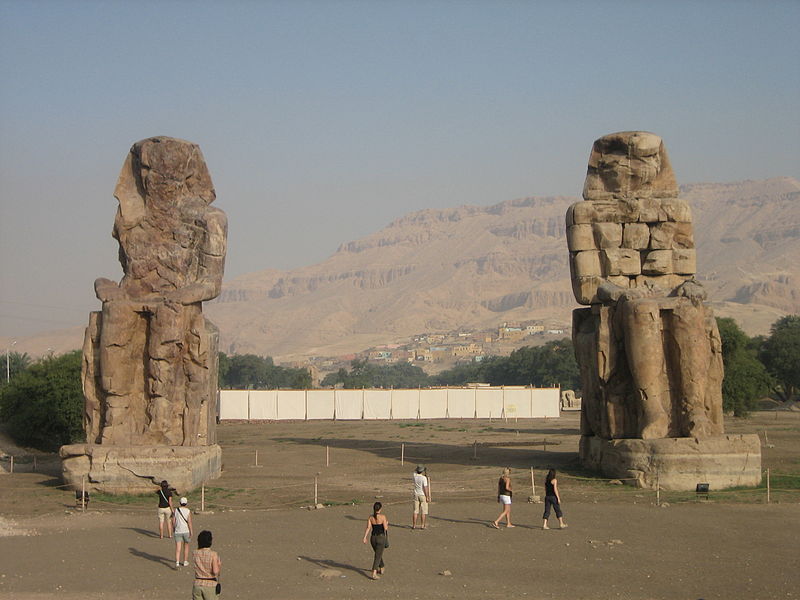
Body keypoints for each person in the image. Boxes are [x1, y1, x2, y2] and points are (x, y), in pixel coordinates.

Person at [362, 501, 389, 580]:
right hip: (381, 538)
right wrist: (387, 523)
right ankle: (374, 573)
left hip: (373, 538)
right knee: (377, 555)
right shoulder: (383, 517)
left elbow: (368, 528)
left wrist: (364, 537)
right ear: (380, 509)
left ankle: (382, 566)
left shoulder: (371, 517)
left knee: (378, 553)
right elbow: (385, 528)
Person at [192, 530, 222, 600]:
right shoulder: (213, 554)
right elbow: (215, 571)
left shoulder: (194, 553)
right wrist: (219, 565)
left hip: (197, 584)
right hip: (210, 585)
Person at [174, 497, 194, 567]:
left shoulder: (176, 510)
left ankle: (177, 561)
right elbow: (189, 522)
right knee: (186, 546)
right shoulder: (188, 511)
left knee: (178, 547)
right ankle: (185, 561)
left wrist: (174, 528)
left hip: (178, 530)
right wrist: (191, 531)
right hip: (186, 530)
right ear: (186, 503)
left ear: (180, 502)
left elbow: (174, 521)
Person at [412, 465, 431, 530]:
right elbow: (425, 488)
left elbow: (415, 471)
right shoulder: (423, 478)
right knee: (423, 511)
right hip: (422, 495)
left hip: (416, 494)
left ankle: (414, 525)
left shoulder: (414, 476)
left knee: (415, 511)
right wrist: (427, 496)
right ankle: (422, 525)